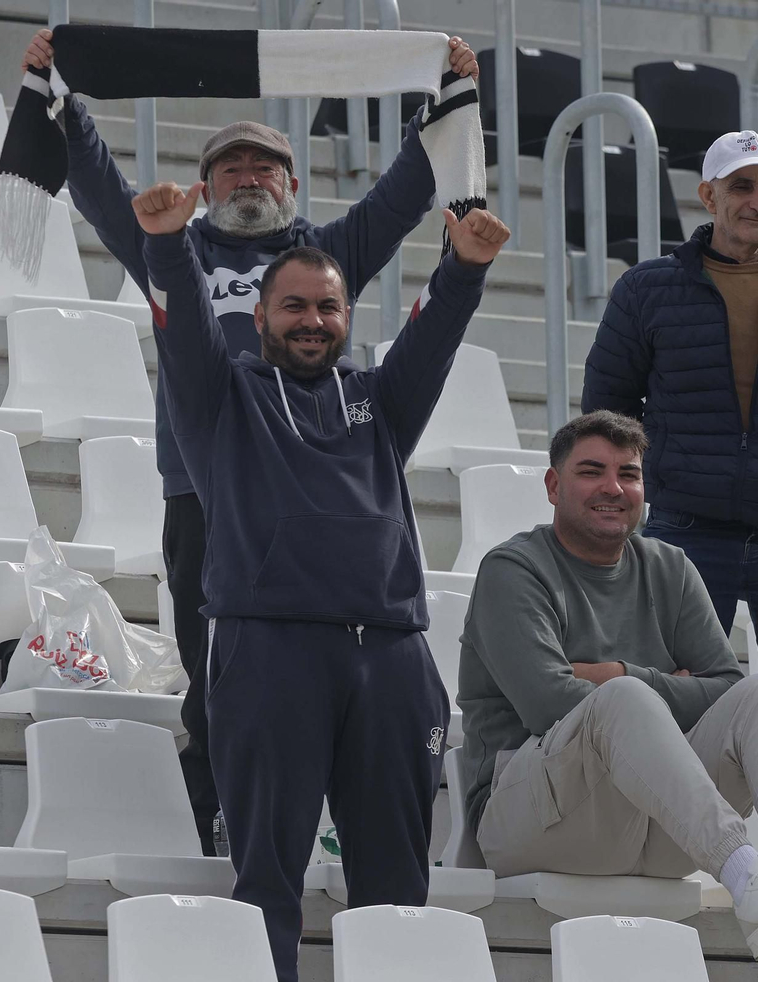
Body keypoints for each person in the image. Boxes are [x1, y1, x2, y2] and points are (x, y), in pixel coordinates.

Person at [20, 28, 479, 851]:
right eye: (230, 167)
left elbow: (404, 196)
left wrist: (439, 101)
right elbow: (96, 186)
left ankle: (324, 813)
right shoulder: (175, 247)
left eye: (264, 166)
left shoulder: (323, 258)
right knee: (214, 665)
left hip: (313, 491)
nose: (248, 178)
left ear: (293, 186)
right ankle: (218, 818)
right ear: (203, 189)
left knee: (326, 669)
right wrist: (65, 101)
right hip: (206, 490)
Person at [132, 173, 509, 981]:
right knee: (268, 882)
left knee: (397, 891)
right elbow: (186, 330)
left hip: (392, 661)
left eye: (328, 307)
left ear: (346, 317)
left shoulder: (379, 402)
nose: (312, 321)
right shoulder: (221, 401)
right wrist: (166, 244)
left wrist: (464, 267)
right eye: (294, 307)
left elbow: (433, 338)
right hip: (270, 655)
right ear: (260, 317)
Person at [457, 410, 758, 960]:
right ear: (553, 486)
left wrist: (619, 673)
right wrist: (644, 689)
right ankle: (749, 881)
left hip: (656, 824)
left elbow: (724, 688)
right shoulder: (513, 570)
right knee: (622, 701)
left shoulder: (670, 567)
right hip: (533, 821)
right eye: (591, 472)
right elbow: (546, 702)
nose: (613, 488)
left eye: (628, 474)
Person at [580, 129, 758, 758]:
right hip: (687, 530)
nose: (757, 202)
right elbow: (608, 411)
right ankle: (673, 852)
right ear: (708, 195)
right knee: (671, 708)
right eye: (741, 187)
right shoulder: (646, 289)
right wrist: (669, 478)